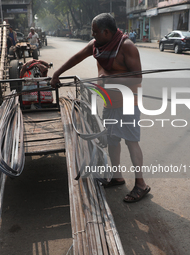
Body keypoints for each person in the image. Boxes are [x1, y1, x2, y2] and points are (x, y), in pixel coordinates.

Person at [51, 13, 150, 203]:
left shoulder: (126, 47)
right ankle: (117, 176)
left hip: (128, 102)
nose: (92, 34)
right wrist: (57, 73)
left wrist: (112, 79)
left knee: (131, 141)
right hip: (109, 102)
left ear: (106, 31)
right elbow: (76, 57)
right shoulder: (97, 45)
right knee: (112, 140)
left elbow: (137, 78)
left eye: (95, 32)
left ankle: (141, 184)